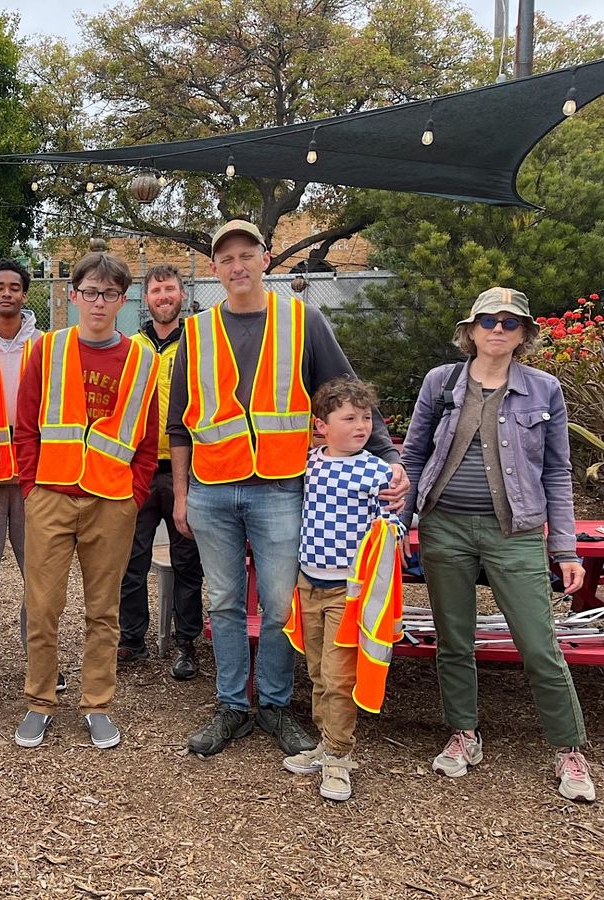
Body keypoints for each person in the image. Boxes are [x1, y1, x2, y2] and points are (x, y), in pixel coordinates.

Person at [168, 219, 408, 759]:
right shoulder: (197, 332)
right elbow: (179, 423)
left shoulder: (303, 320)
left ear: (266, 258)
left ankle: (274, 705)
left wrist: (388, 456)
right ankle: (232, 705)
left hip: (280, 488)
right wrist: (181, 493)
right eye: (226, 258)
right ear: (214, 269)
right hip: (211, 488)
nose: (237, 266)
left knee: (279, 605)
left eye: (246, 255)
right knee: (226, 602)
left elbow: (347, 396)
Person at [401, 287, 595, 803]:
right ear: (471, 329)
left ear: (524, 334)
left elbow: (556, 471)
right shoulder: (441, 382)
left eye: (510, 323)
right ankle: (464, 733)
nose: (497, 330)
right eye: (488, 320)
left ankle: (569, 748)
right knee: (454, 639)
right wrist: (401, 524)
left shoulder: (544, 388)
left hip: (517, 532)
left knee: (538, 644)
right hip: (444, 527)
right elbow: (414, 455)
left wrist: (567, 550)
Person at [13, 252, 159, 750]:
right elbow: (26, 425)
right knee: (42, 605)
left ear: (123, 299)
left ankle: (97, 703)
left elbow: (148, 438)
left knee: (104, 610)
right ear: (73, 296)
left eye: (110, 293)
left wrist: (136, 494)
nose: (99, 302)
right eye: (90, 292)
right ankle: (40, 701)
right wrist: (32, 488)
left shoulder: (143, 358)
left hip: (113, 501)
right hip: (51, 495)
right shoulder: (48, 349)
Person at [281, 377, 404, 802]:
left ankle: (339, 756)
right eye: (349, 418)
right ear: (320, 425)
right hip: (307, 583)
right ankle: (323, 742)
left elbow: (396, 519)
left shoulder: (376, 470)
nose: (361, 426)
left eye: (366, 417)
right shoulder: (308, 463)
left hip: (347, 592)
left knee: (338, 676)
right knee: (317, 671)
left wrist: (391, 526)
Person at [118, 264, 205, 679]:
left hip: (187, 470)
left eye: (170, 289)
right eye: (156, 290)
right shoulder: (131, 347)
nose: (163, 296)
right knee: (130, 560)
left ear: (182, 295)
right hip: (139, 467)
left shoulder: (200, 342)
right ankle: (132, 640)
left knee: (188, 559)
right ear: (145, 297)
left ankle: (186, 642)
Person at [0, 262, 47, 685]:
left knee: (37, 568)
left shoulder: (44, 344)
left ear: (24, 294)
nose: (6, 294)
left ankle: (38, 652)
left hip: (33, 475)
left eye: (14, 288)